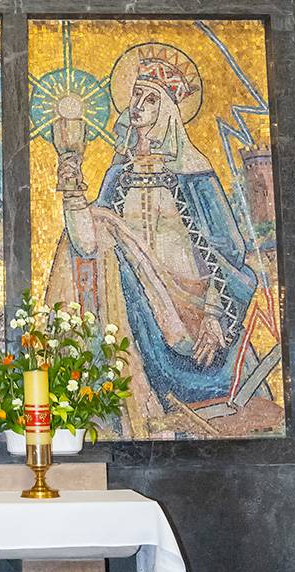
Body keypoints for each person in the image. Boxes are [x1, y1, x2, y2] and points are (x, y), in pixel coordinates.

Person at [45, 44, 258, 438]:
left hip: (194, 315)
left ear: (170, 110)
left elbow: (228, 252)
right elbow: (88, 243)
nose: (138, 106)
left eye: (150, 99)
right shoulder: (118, 176)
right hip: (132, 312)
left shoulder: (194, 173)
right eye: (136, 96)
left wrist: (214, 316)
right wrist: (72, 188)